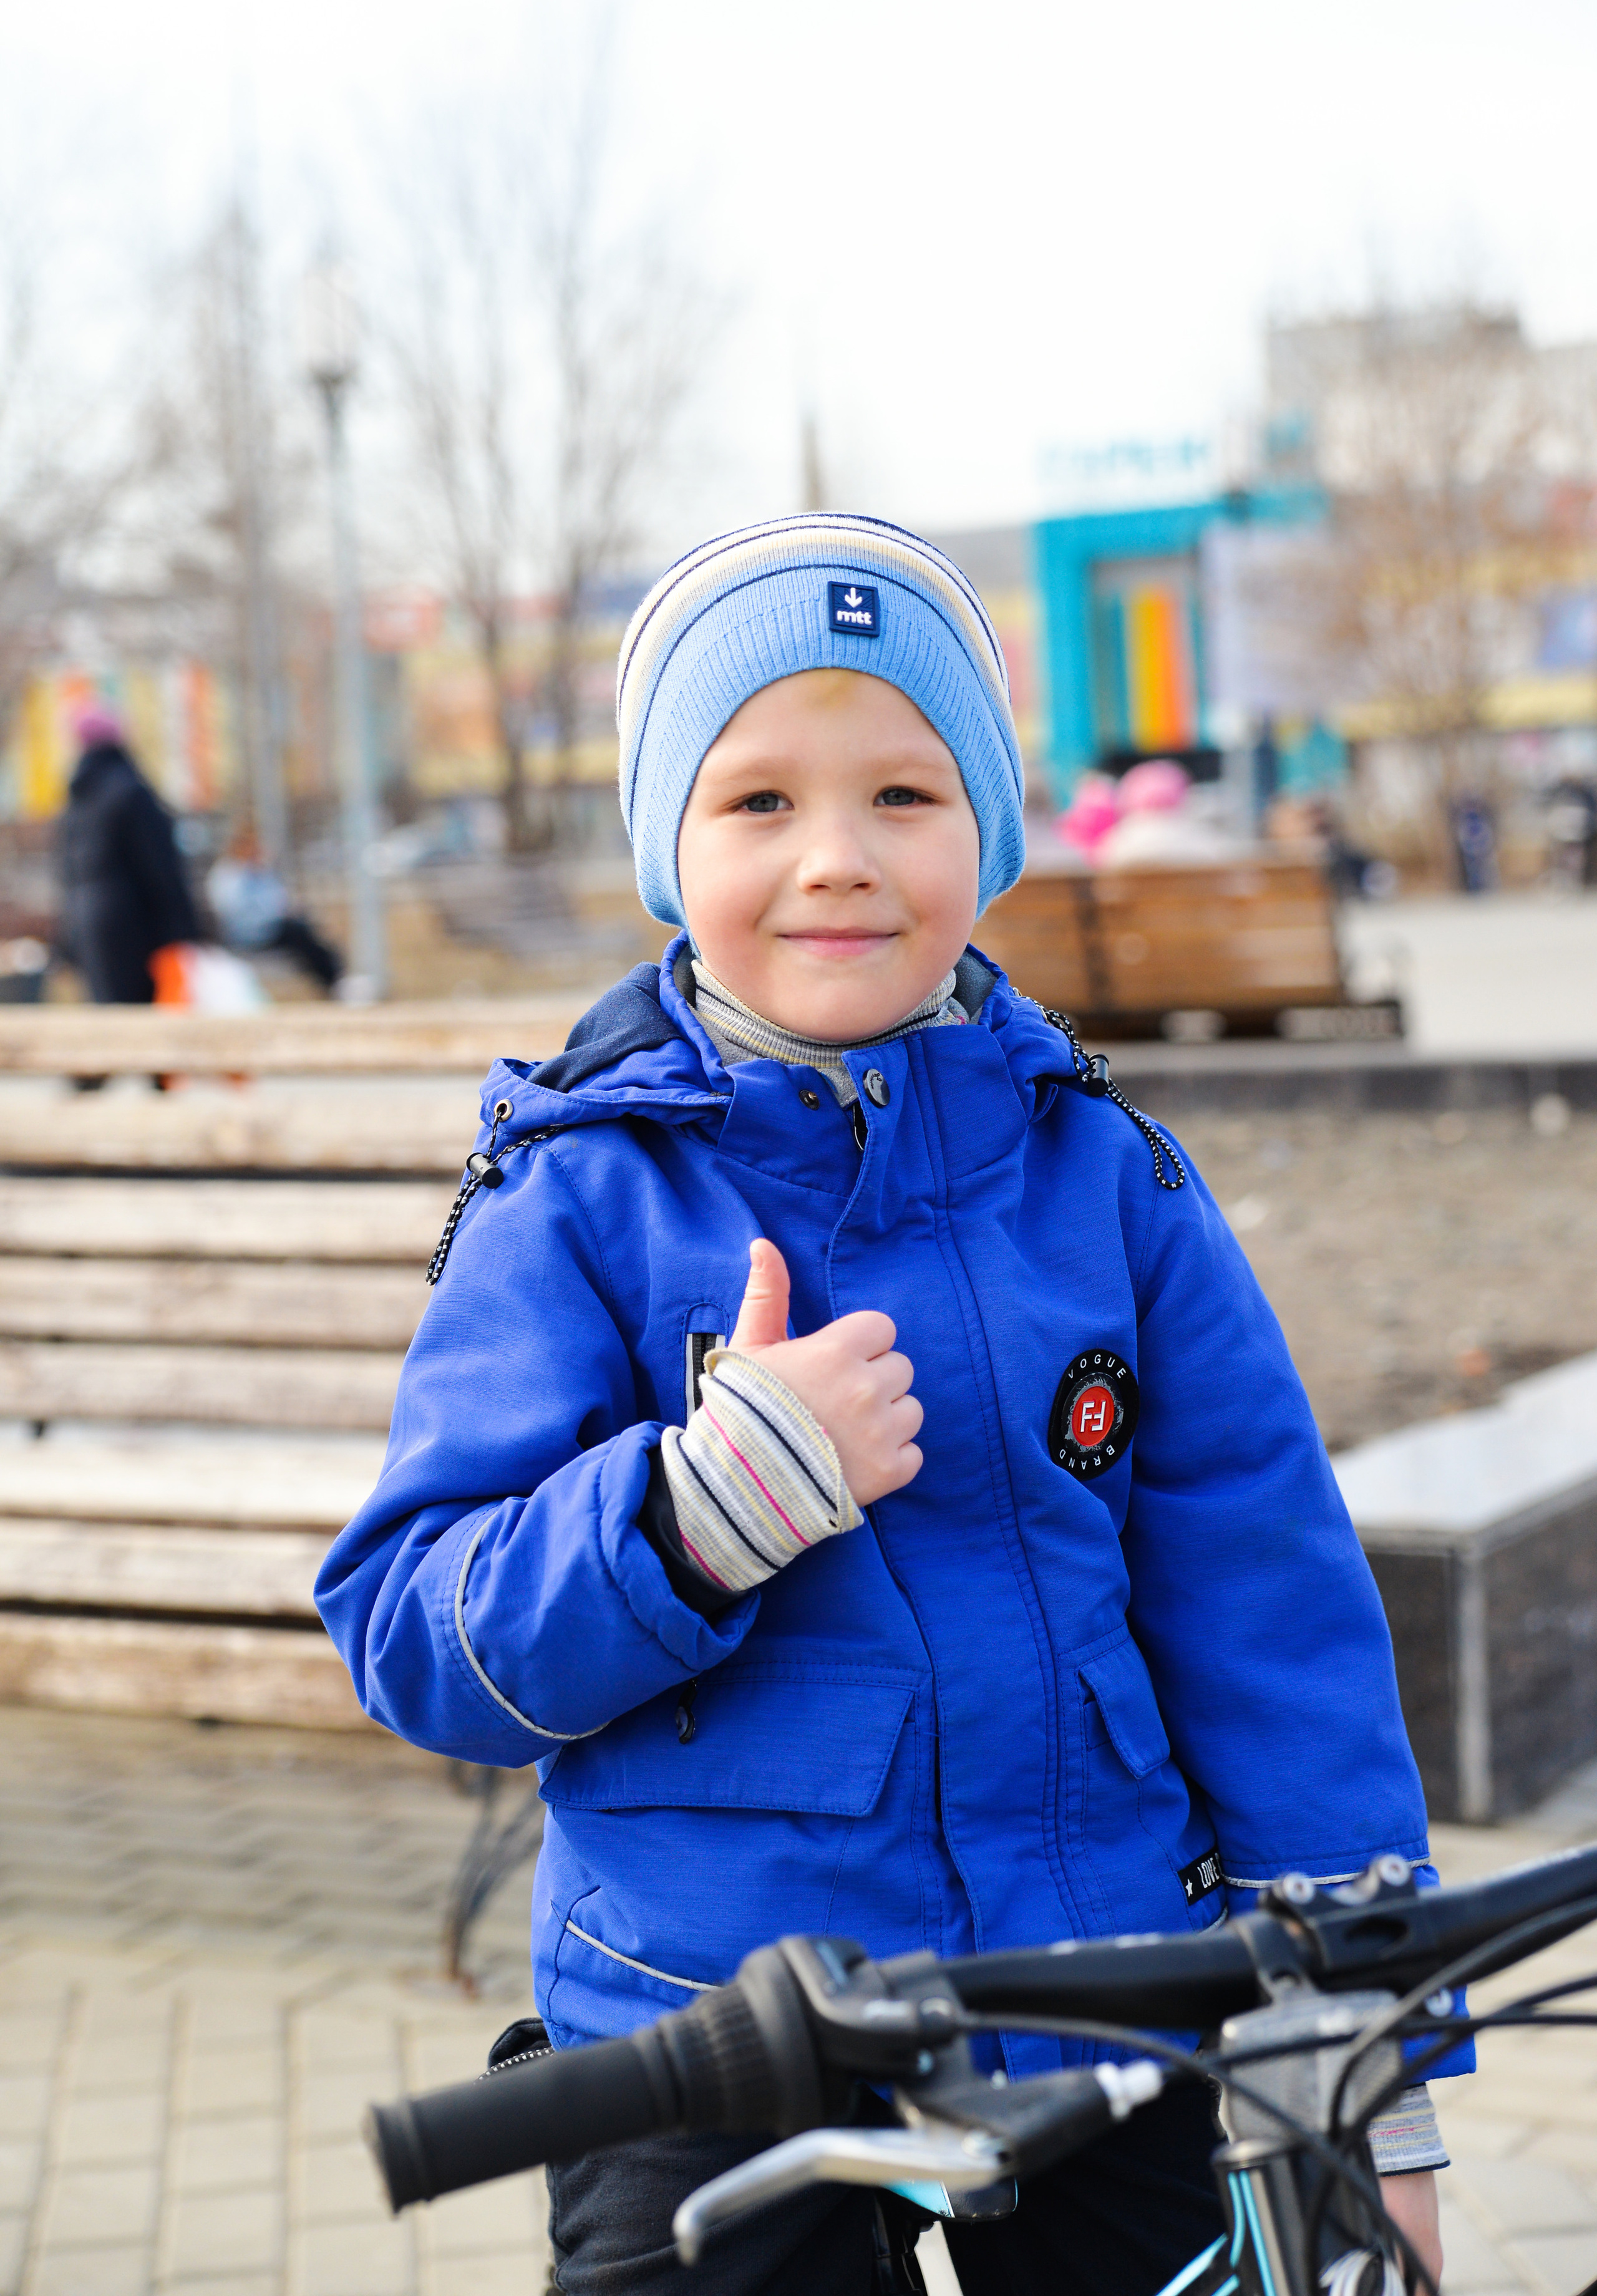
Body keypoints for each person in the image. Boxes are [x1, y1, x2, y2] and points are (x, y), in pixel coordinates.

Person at [316, 517, 1459, 2295]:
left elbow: (1277, 1622)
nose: (835, 859)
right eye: (758, 801)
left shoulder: (1111, 1182)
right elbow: (415, 1632)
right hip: (715, 2053)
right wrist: (692, 1517)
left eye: (906, 797)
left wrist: (1366, 2079)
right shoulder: (580, 1199)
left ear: (990, 833)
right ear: (667, 845)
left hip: (1104, 2018)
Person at [56, 707, 201, 1004]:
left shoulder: (77, 798)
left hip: (87, 924)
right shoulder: (129, 790)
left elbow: (64, 872)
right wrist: (184, 928)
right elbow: (159, 864)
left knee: (110, 1013)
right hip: (133, 922)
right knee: (143, 1013)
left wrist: (68, 935)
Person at [206, 826, 343, 994]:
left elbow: (279, 901)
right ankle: (334, 982)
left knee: (306, 935)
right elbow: (232, 911)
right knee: (299, 934)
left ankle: (334, 980)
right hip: (247, 934)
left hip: (271, 929)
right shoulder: (227, 874)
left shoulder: (262, 872)